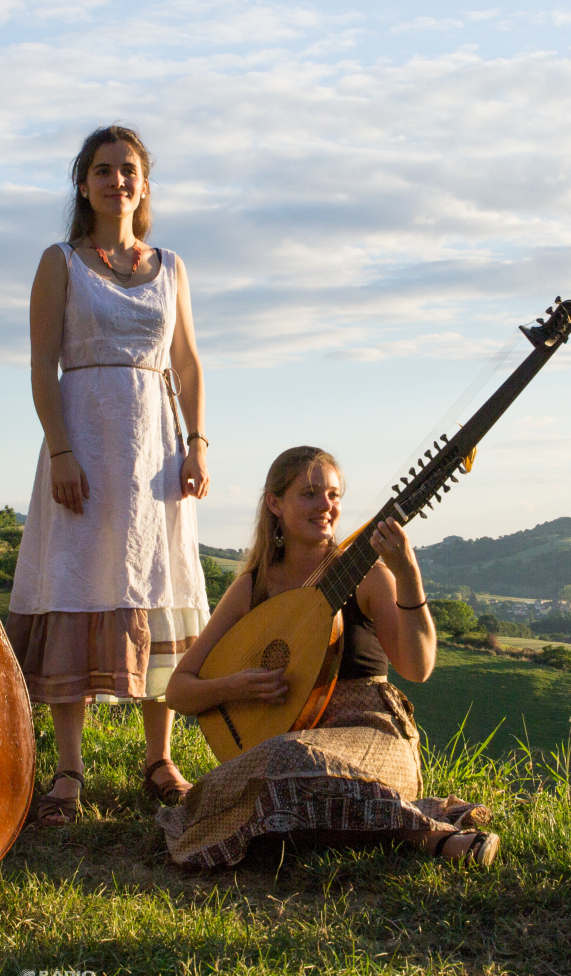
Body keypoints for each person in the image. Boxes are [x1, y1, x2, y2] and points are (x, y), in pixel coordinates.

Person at [157, 446, 500, 868]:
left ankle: (429, 833)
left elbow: (418, 667)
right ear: (275, 504)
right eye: (310, 494)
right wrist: (236, 685)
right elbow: (179, 691)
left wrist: (408, 575)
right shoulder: (253, 586)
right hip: (283, 743)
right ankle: (397, 821)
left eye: (334, 495)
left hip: (373, 735)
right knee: (270, 769)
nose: (326, 506)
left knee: (283, 768)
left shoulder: (368, 577)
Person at [6, 125, 210, 826]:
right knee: (75, 580)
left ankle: (159, 759)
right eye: (102, 170)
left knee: (157, 583)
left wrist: (197, 443)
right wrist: (60, 450)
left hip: (155, 455)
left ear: (143, 185)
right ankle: (67, 771)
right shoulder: (59, 262)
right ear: (83, 184)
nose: (116, 181)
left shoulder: (172, 266)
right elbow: (41, 366)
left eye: (128, 170)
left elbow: (184, 363)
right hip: (85, 449)